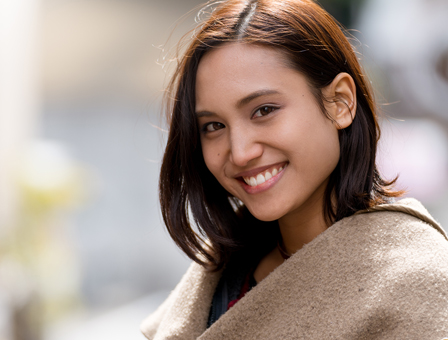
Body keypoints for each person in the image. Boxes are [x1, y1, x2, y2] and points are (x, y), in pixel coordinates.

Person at [141, 0, 448, 338]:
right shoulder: (224, 272)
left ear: (340, 102)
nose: (240, 153)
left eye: (264, 110)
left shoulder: (416, 281)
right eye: (213, 126)